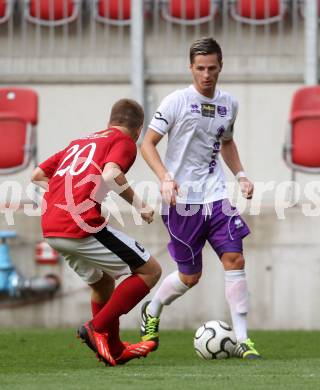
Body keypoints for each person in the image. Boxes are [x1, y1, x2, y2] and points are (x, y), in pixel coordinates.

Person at [139, 37, 261, 359]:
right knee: (190, 277)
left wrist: (241, 175)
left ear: (221, 67)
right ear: (191, 68)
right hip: (182, 201)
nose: (206, 75)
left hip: (216, 196)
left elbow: (228, 142)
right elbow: (147, 144)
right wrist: (165, 177)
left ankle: (244, 339)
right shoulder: (176, 102)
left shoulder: (229, 104)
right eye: (200, 68)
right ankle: (152, 310)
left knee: (235, 259)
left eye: (212, 68)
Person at [31, 99, 162, 366]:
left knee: (103, 284)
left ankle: (113, 349)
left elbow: (37, 175)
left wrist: (63, 197)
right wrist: (141, 206)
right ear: (138, 130)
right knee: (150, 271)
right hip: (79, 224)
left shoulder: (78, 143)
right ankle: (96, 328)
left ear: (108, 122)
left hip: (51, 226)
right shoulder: (124, 142)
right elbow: (111, 174)